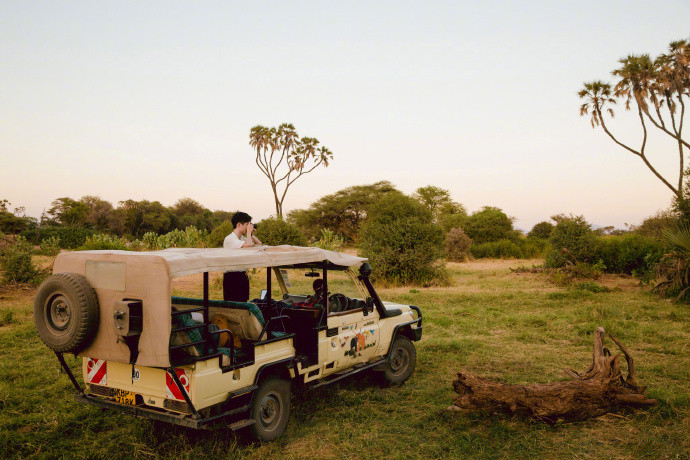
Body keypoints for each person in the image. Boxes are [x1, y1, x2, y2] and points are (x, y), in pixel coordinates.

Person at [222, 212, 262, 302]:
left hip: (242, 275)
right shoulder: (230, 239)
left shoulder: (242, 239)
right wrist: (248, 232)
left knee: (243, 303)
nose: (249, 227)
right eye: (247, 224)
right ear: (239, 224)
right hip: (232, 277)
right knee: (233, 304)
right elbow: (248, 245)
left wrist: (251, 234)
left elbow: (259, 244)